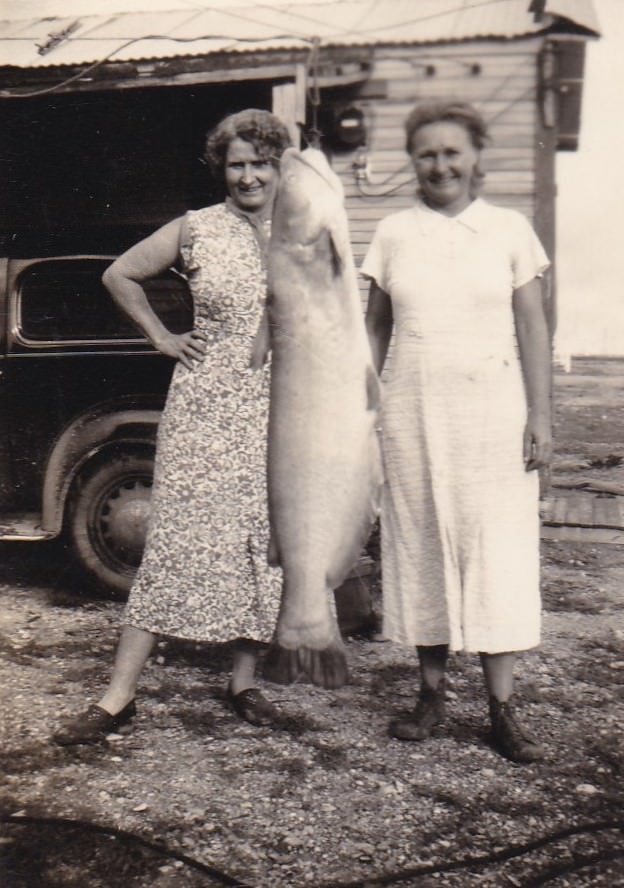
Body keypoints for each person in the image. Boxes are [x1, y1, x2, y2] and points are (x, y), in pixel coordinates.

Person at [53, 109, 292, 745]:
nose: (248, 176)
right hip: (206, 403)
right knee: (175, 534)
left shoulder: (303, 235)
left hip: (279, 407)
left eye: (260, 163)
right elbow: (119, 273)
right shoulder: (197, 229)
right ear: (222, 168)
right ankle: (118, 695)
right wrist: (161, 335)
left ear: (279, 167)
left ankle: (243, 682)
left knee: (259, 538)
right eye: (237, 164)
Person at [361, 101, 552, 763]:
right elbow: (374, 331)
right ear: (412, 161)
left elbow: (533, 328)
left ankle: (502, 708)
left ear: (476, 157)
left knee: (494, 548)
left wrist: (542, 417)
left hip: (493, 411)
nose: (439, 165)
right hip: (410, 409)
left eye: (452, 152)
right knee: (419, 541)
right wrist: (363, 412)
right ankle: (431, 696)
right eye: (426, 154)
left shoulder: (509, 230)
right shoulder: (392, 232)